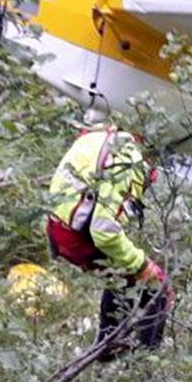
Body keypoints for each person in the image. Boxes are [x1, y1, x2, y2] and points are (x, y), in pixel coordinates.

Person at [44, 109, 171, 359]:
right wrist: (144, 265)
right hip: (77, 236)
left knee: (122, 274)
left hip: (58, 228)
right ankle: (146, 364)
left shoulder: (101, 136)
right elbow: (104, 232)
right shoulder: (130, 161)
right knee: (157, 284)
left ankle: (108, 345)